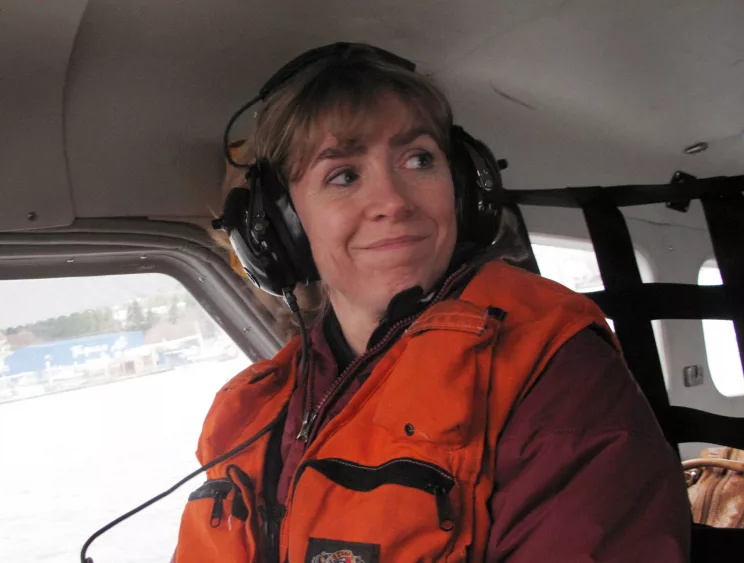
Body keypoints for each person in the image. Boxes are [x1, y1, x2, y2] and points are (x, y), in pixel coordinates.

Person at [173, 43, 690, 562]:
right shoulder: (252, 412)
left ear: (463, 189)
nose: (395, 202)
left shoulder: (551, 371)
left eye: (419, 160)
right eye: (344, 175)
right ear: (280, 228)